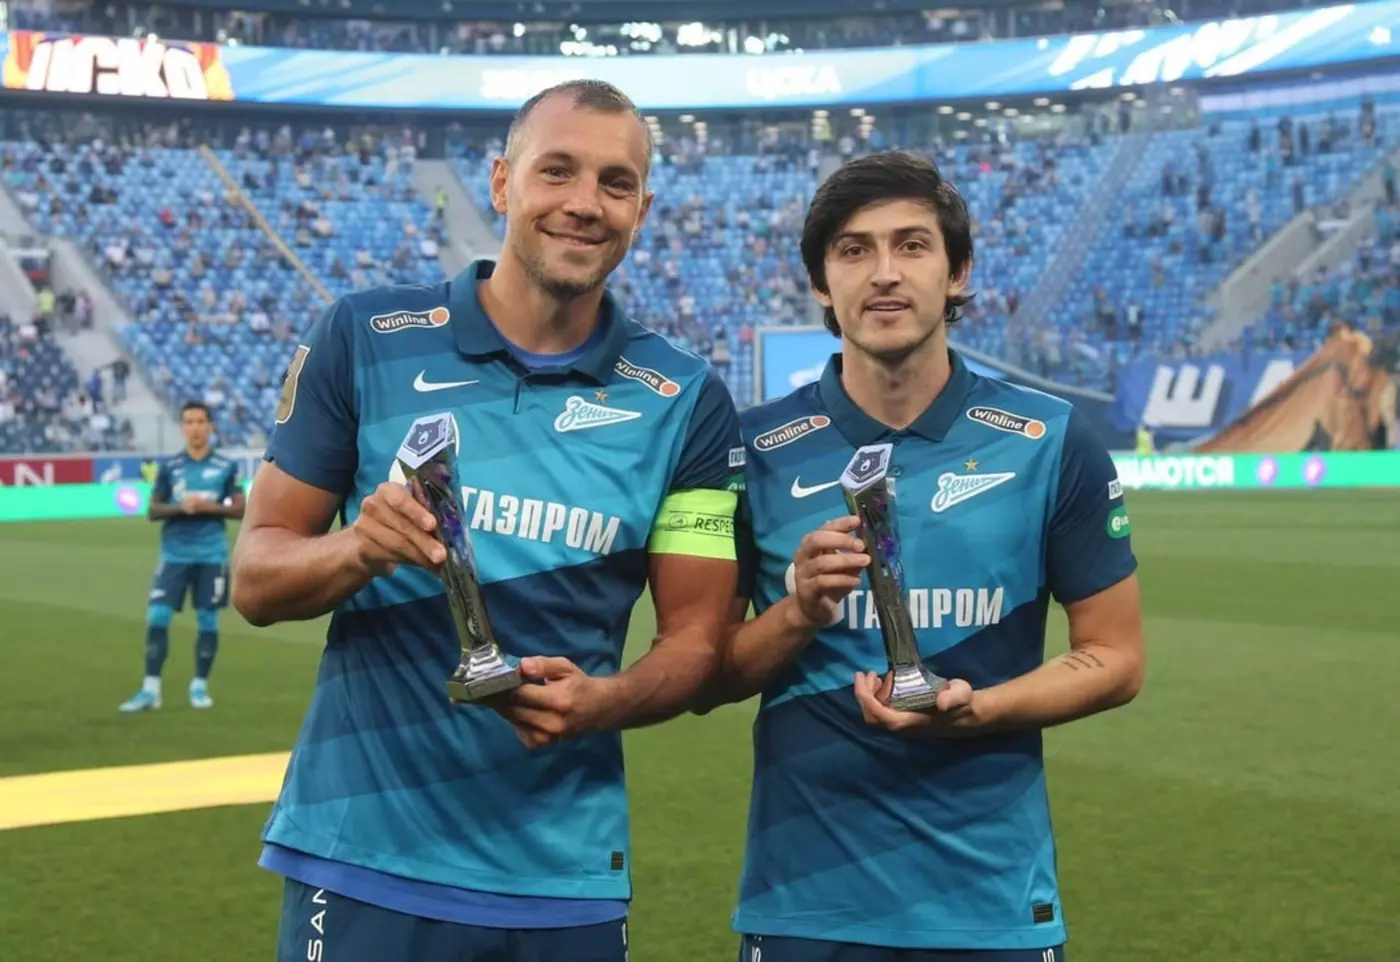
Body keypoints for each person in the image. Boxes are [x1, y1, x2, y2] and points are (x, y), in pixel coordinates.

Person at [231, 79, 741, 962]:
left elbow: (697, 639)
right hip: (364, 858)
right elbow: (255, 578)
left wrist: (605, 702)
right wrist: (360, 548)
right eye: (557, 171)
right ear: (503, 183)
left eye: (616, 183)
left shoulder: (686, 398)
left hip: (564, 879)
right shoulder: (365, 337)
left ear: (643, 210)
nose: (585, 203)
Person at [703, 151, 1147, 962]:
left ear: (957, 271)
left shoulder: (1050, 440)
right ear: (820, 282)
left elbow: (1115, 658)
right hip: (805, 908)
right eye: (853, 250)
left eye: (912, 245)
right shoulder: (753, 450)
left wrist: (981, 710)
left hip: (992, 907)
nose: (884, 273)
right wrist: (797, 613)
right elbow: (708, 675)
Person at [119, 401, 244, 713]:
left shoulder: (226, 466)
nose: (195, 428)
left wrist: (208, 507)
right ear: (182, 427)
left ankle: (199, 686)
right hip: (174, 555)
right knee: (157, 617)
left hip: (211, 554)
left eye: (200, 421)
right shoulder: (170, 466)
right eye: (189, 422)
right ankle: (151, 690)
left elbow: (241, 509)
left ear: (210, 427)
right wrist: (181, 507)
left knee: (208, 620)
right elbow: (153, 510)